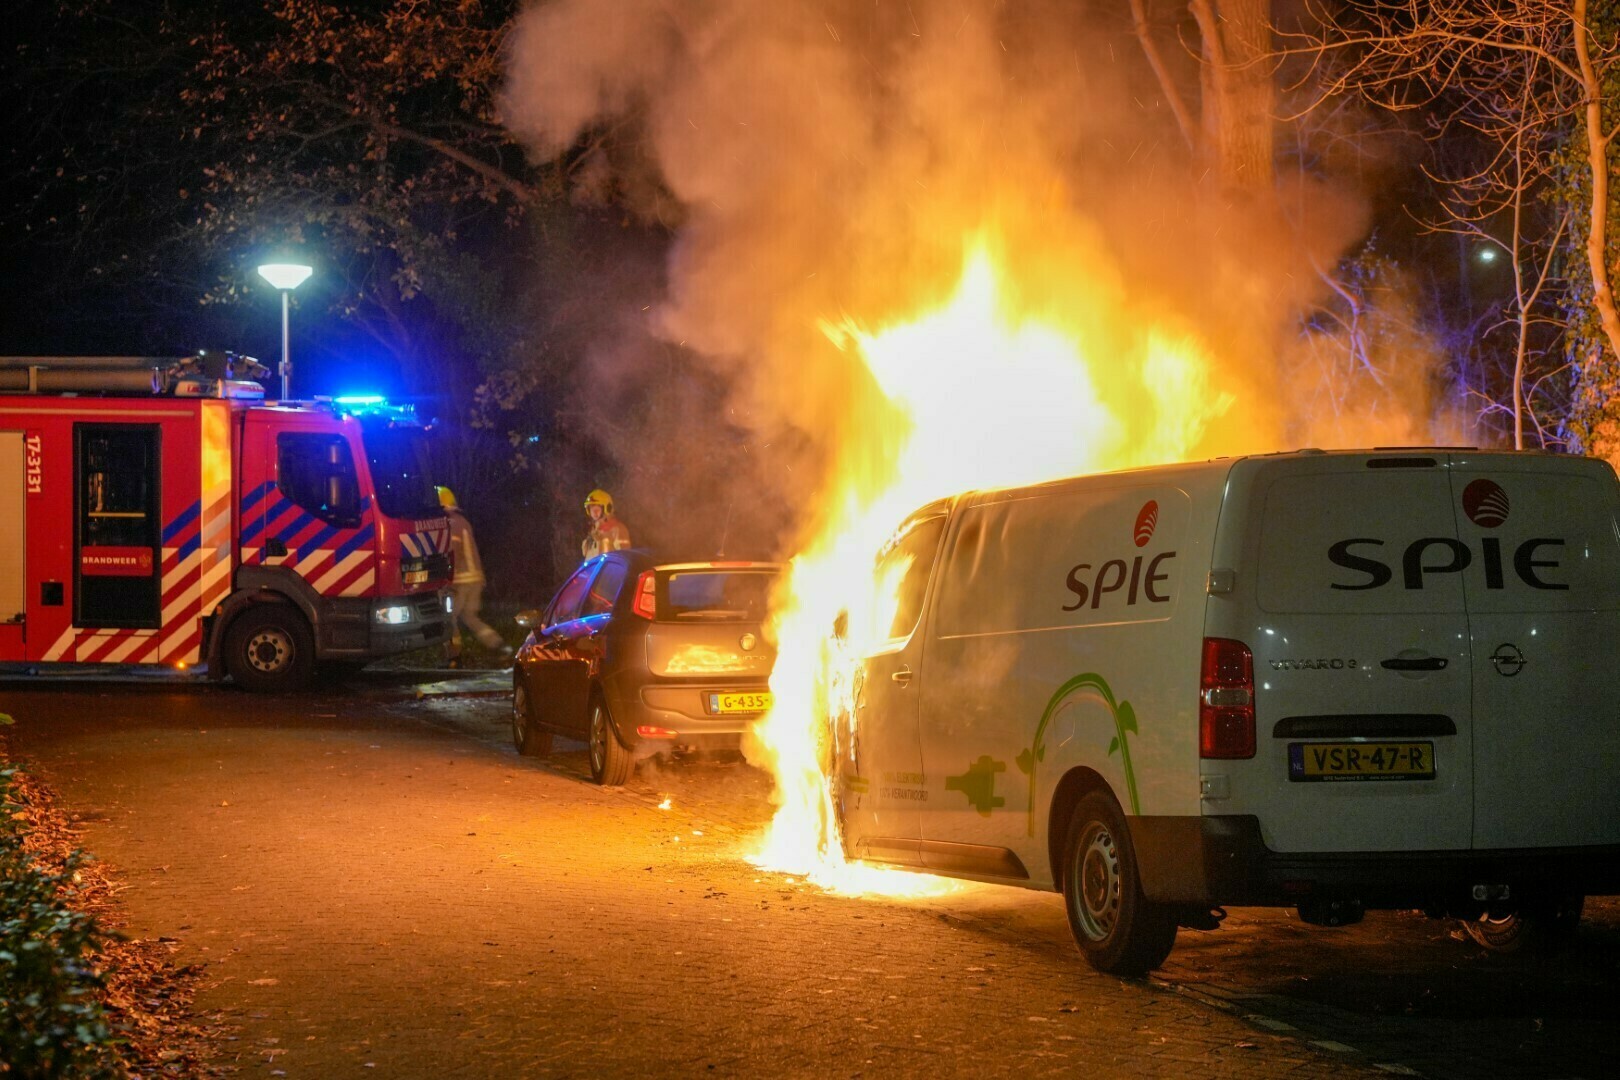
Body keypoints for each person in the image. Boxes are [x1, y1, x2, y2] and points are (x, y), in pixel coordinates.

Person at [437, 486, 512, 664]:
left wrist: (446, 578)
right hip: (475, 579)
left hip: (460, 581)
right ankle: (500, 646)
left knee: (449, 618)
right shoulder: (462, 521)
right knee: (470, 617)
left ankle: (453, 657)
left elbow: (453, 552)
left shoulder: (450, 523)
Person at [581, 488, 632, 560]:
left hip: (609, 567)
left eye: (597, 509)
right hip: (595, 567)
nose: (594, 513)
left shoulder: (617, 529)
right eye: (591, 509)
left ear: (607, 508)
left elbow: (624, 556)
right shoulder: (593, 532)